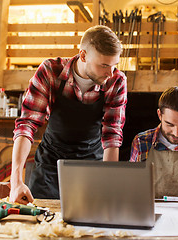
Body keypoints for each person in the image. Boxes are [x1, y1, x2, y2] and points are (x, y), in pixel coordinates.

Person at [10, 25, 127, 204]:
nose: (110, 73)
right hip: (50, 166)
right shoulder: (50, 71)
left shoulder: (116, 82)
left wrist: (108, 182)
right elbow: (27, 125)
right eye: (104, 65)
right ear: (83, 55)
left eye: (114, 65)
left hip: (93, 165)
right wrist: (16, 181)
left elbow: (112, 134)